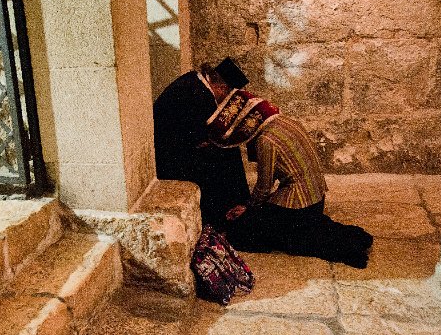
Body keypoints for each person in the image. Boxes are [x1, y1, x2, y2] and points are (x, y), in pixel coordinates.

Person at [209, 89, 373, 268]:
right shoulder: (286, 121)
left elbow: (264, 187)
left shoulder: (266, 140)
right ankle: (357, 239)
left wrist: (247, 208)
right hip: (316, 199)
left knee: (244, 232)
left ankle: (350, 247)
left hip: (298, 206)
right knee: (310, 230)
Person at [153, 58, 251, 226]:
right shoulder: (199, 95)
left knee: (227, 149)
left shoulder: (192, 79)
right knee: (226, 157)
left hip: (176, 149)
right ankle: (229, 215)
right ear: (222, 88)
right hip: (170, 160)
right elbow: (199, 137)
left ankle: (237, 206)